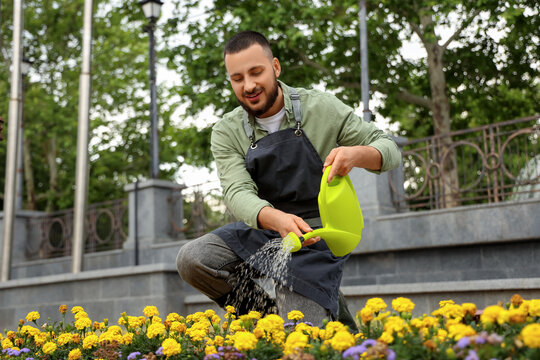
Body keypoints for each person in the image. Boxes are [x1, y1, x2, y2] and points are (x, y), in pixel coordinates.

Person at [177, 30, 402, 328]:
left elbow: (389, 149)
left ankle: (309, 319)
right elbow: (236, 192)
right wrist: (275, 219)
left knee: (304, 337)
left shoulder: (321, 107)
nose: (249, 85)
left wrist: (356, 154)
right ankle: (268, 321)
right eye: (237, 78)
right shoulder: (226, 131)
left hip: (318, 233)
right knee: (193, 259)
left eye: (256, 72)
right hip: (267, 228)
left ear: (276, 67)